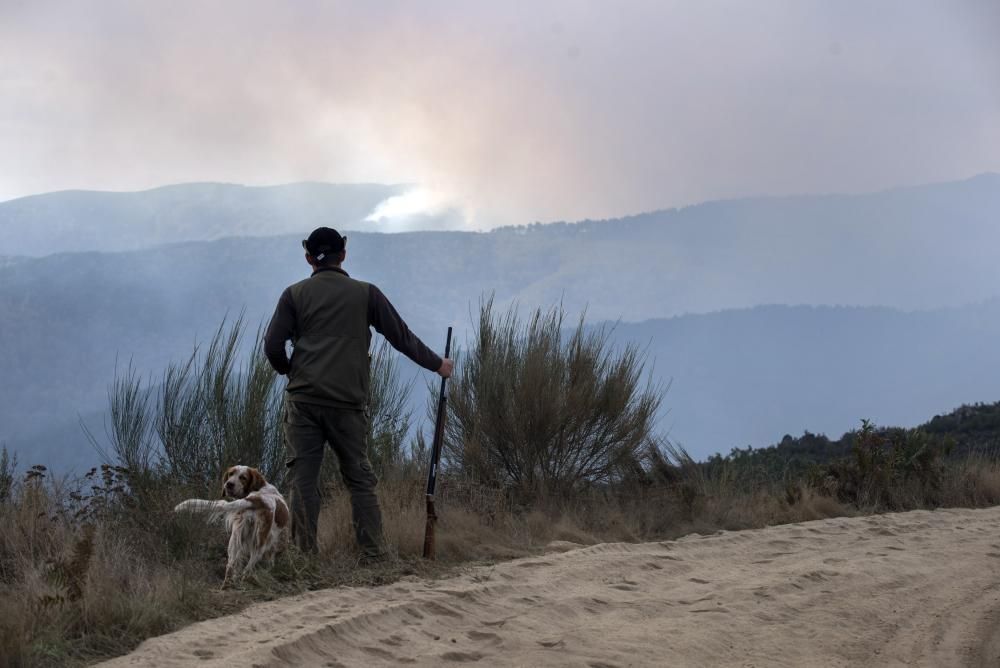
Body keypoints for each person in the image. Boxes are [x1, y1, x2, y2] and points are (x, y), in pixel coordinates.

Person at [263, 226, 453, 561]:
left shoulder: (293, 294)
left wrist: (289, 370)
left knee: (303, 483)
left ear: (308, 258)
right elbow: (402, 337)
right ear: (344, 254)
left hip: (304, 401)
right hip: (348, 404)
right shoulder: (367, 293)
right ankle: (373, 556)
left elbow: (272, 345)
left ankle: (305, 561)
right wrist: (438, 364)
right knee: (359, 481)